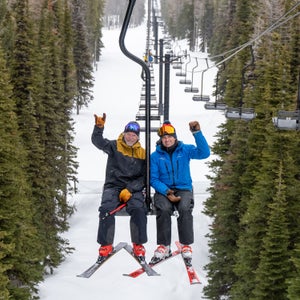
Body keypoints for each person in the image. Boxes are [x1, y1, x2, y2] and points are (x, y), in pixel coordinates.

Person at [150, 120, 210, 263]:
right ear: (161, 140)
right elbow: (153, 178)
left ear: (175, 137)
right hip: (164, 189)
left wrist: (197, 133)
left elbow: (204, 153)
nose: (167, 140)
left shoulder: (185, 150)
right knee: (163, 209)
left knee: (184, 208)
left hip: (183, 188)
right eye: (164, 138)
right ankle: (164, 245)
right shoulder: (155, 156)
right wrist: (166, 191)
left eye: (170, 137)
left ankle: (186, 244)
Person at [91, 113, 148, 262]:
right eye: (128, 134)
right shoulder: (114, 146)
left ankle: (138, 244)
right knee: (105, 209)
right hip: (113, 186)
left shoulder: (142, 153)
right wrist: (99, 128)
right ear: (124, 134)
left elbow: (144, 177)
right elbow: (97, 141)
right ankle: (106, 245)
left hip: (132, 189)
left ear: (138, 137)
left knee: (139, 209)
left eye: (133, 135)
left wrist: (130, 189)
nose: (130, 138)